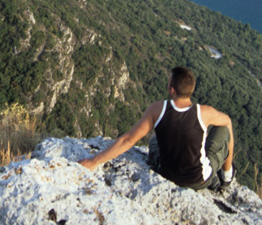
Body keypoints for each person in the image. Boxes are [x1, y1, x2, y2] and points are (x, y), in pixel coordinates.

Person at [79, 66, 234, 190]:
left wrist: (94, 161)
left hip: (165, 173)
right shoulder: (205, 113)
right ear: (191, 89)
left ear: (172, 90)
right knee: (224, 128)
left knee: (154, 139)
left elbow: (128, 140)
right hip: (198, 180)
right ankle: (226, 177)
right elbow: (227, 121)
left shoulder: (157, 109)